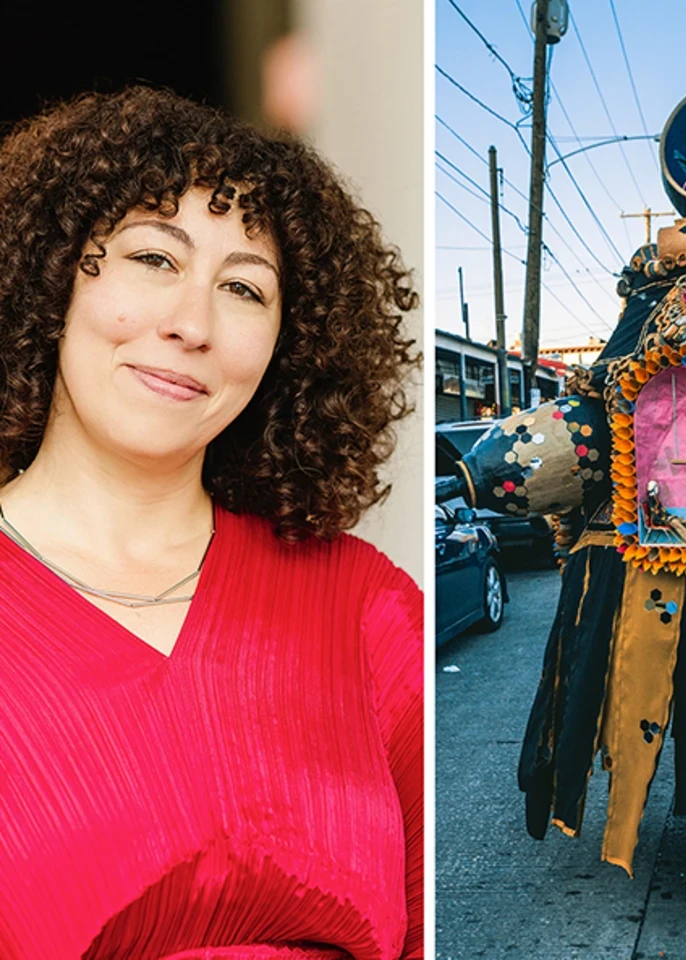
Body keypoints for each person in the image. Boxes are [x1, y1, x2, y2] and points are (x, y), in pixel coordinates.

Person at [0, 85, 422, 959]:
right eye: (155, 258)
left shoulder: (366, 611)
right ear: (52, 274)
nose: (192, 324)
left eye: (243, 288)